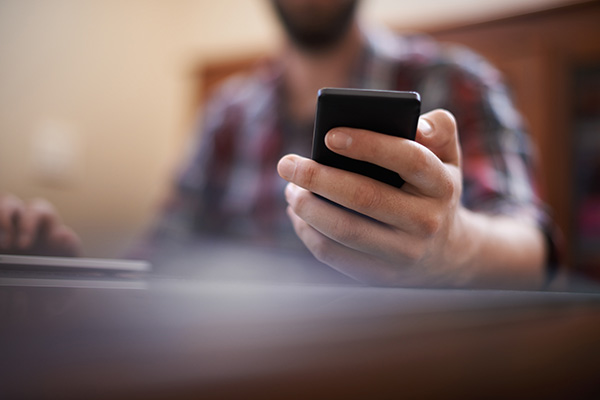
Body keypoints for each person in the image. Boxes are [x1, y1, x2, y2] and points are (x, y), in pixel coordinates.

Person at [0, 0, 557, 288]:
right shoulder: (227, 114)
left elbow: (534, 250)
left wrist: (454, 249)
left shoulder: (457, 81)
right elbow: (163, 254)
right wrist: (76, 283)